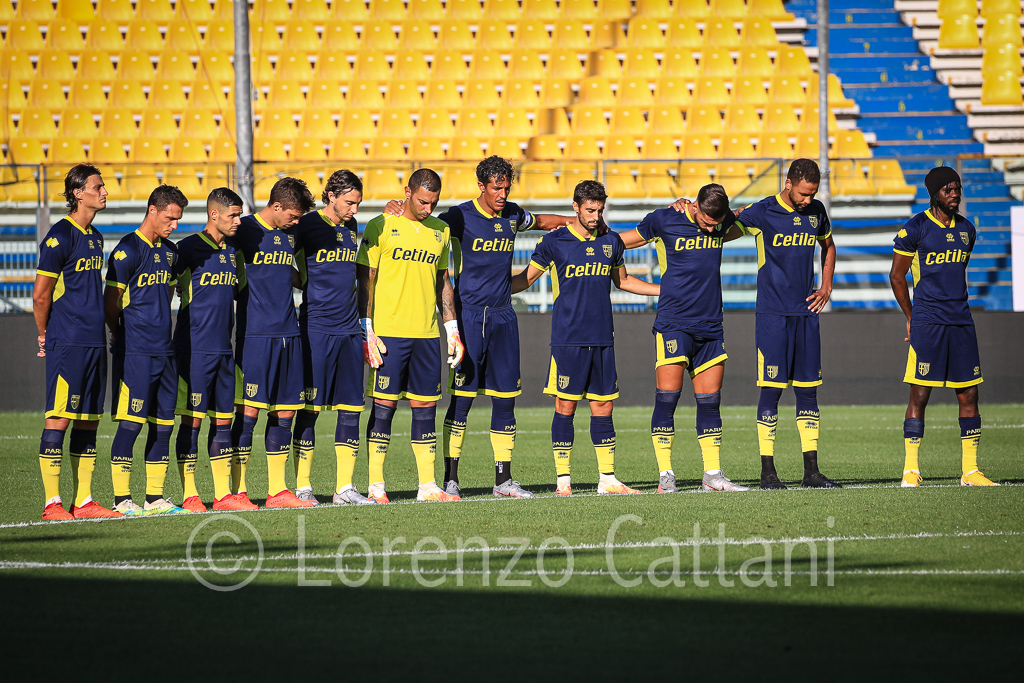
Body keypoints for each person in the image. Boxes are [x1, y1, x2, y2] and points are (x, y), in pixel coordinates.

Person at [385, 156, 571, 499]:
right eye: (496, 188)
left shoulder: (513, 215)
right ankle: (451, 479)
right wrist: (395, 206)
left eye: (506, 188)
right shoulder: (458, 217)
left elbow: (543, 221)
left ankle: (503, 480)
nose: (502, 194)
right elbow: (422, 222)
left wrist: (574, 222)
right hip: (469, 317)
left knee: (505, 399)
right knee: (462, 400)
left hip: (504, 317)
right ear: (481, 186)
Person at [511, 180, 660, 495]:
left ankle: (608, 479)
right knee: (565, 406)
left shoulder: (611, 241)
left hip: (603, 338)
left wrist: (664, 290)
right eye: (590, 210)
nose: (595, 216)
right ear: (575, 207)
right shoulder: (554, 242)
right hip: (568, 339)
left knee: (603, 407)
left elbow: (623, 281)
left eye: (600, 210)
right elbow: (526, 280)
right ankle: (563, 482)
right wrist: (489, 288)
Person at [620, 184, 750, 494]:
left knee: (710, 402)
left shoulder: (722, 224)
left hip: (711, 325)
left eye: (716, 224)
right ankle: (666, 476)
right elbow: (616, 243)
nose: (711, 229)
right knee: (667, 399)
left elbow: (752, 216)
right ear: (695, 207)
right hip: (673, 324)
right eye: (706, 222)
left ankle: (712, 475)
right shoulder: (664, 219)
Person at [356, 168, 464, 504]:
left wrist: (452, 329)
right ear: (407, 192)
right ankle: (376, 485)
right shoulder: (380, 226)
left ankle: (427, 486)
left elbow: (443, 282)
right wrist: (366, 327)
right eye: (422, 202)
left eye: (434, 203)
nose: (428, 209)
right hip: (388, 334)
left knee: (426, 406)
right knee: (384, 406)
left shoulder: (441, 231)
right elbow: (366, 279)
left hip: (427, 335)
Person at [731, 159, 840, 490]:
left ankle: (812, 472)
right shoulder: (763, 211)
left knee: (808, 391)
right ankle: (768, 473)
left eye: (813, 193)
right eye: (804, 193)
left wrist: (826, 286)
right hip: (772, 315)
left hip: (806, 314)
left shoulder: (816, 212)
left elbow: (828, 246)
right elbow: (723, 230)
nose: (809, 199)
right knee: (772, 389)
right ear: (788, 183)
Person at [889, 167, 997, 487]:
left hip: (961, 321)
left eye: (957, 188)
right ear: (934, 193)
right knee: (920, 394)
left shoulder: (967, 230)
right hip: (928, 322)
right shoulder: (915, 228)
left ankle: (970, 471)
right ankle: (911, 469)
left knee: (969, 394)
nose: (955, 194)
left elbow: (956, 271)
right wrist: (911, 315)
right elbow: (897, 276)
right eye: (948, 189)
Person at [33, 164, 122, 520]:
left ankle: (83, 501)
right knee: (59, 418)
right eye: (98, 187)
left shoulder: (95, 237)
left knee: (88, 419)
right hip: (67, 341)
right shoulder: (59, 236)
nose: (104, 192)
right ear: (78, 193)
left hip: (94, 341)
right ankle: (52, 503)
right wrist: (44, 334)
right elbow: (41, 295)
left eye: (103, 186)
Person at [230, 177, 317, 508]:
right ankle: (237, 492)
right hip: (256, 335)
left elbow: (285, 269)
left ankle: (278, 491)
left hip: (289, 333)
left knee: (285, 412)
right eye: (292, 216)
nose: (296, 223)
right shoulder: (243, 231)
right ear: (276, 206)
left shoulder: (288, 233)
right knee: (248, 412)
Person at [104, 185, 190, 515]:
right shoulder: (127, 249)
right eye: (170, 218)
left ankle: (155, 498)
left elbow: (169, 290)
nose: (174, 225)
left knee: (164, 425)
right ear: (152, 210)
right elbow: (110, 302)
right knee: (131, 422)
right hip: (136, 352)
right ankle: (121, 499)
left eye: (178, 219)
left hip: (165, 352)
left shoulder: (170, 252)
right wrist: (119, 334)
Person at [290, 170, 374, 505]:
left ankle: (344, 488)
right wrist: (304, 283)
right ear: (331, 196)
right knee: (309, 409)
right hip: (315, 329)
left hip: (349, 330)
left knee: (351, 408)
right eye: (350, 202)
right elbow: (279, 259)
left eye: (358, 203)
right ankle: (303, 486)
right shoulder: (306, 225)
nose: (355, 209)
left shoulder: (352, 227)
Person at [171, 187, 255, 512]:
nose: (238, 221)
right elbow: (163, 287)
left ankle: (222, 496)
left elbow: (240, 291)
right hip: (193, 351)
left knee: (223, 422)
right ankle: (190, 495)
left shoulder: (234, 250)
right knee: (192, 422)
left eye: (240, 215)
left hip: (224, 350)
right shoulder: (186, 249)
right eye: (233, 215)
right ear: (214, 214)